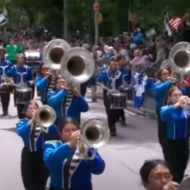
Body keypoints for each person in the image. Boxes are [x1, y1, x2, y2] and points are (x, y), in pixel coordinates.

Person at [43, 117, 105, 190]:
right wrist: (69, 145)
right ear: (60, 133)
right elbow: (49, 162)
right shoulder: (52, 145)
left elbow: (99, 169)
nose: (72, 133)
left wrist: (88, 151)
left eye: (74, 130)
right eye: (67, 131)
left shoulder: (88, 147)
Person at [16, 100, 57, 190]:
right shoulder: (22, 122)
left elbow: (55, 132)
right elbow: (21, 132)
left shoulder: (46, 122)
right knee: (29, 183)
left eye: (35, 108)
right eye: (30, 108)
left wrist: (44, 121)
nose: (33, 110)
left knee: (41, 182)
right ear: (26, 111)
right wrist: (32, 121)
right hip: (28, 155)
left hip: (42, 154)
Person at [160, 87, 190, 183]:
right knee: (172, 168)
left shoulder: (185, 110)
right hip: (171, 144)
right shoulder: (167, 109)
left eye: (180, 95)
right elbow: (163, 115)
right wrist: (178, 104)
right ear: (169, 98)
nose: (178, 97)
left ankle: (177, 184)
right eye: (175, 95)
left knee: (182, 167)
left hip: (184, 142)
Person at [97, 56, 123, 136]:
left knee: (117, 111)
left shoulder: (119, 73)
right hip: (107, 93)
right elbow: (98, 81)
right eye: (112, 64)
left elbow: (122, 83)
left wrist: (122, 86)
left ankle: (113, 122)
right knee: (109, 111)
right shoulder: (104, 73)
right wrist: (102, 85)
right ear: (109, 65)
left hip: (117, 93)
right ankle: (112, 128)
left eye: (115, 64)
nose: (114, 66)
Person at [6, 53, 33, 119]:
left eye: (22, 58)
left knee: (27, 105)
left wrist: (31, 82)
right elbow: (7, 76)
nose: (20, 60)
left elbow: (31, 79)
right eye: (19, 58)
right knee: (19, 105)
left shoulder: (28, 68)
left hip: (27, 88)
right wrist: (11, 80)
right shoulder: (13, 68)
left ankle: (27, 117)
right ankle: (21, 118)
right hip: (17, 89)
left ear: (24, 59)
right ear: (17, 60)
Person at [0, 48, 12, 115]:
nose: (1, 55)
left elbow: (11, 71)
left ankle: (6, 110)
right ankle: (4, 110)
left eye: (3, 53)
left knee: (7, 96)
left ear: (5, 54)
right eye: (0, 54)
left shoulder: (9, 63)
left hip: (7, 82)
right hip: (0, 81)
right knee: (2, 96)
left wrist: (8, 78)